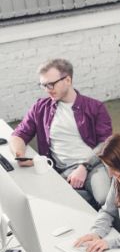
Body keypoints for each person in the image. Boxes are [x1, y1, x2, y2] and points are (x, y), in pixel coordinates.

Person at [10, 59, 112, 206]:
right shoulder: (40, 107)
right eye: (44, 85)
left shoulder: (95, 107)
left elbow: (106, 143)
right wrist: (20, 155)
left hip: (93, 165)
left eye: (51, 84)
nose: (47, 89)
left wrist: (84, 167)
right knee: (49, 201)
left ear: (68, 80)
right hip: (62, 169)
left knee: (104, 199)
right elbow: (19, 134)